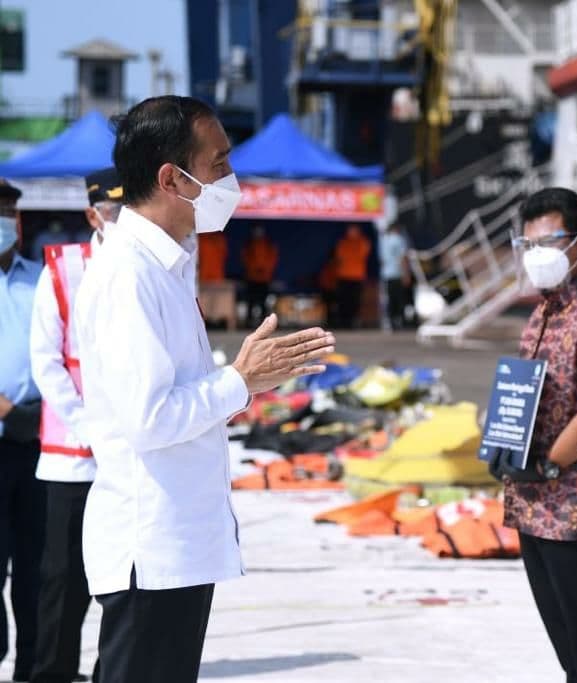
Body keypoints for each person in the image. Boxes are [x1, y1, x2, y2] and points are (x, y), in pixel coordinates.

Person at [72, 95, 336, 683]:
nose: (230, 179)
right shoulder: (128, 276)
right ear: (172, 178)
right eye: (218, 164)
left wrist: (241, 383)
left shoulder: (165, 265)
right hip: (151, 548)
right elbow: (150, 419)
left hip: (178, 546)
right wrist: (240, 380)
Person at [490, 187, 577, 682]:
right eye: (528, 245)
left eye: (548, 242)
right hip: (534, 502)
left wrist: (549, 462)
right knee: (569, 649)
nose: (537, 255)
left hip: (572, 504)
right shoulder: (546, 308)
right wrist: (503, 446)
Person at [28, 167, 123, 683]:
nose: (120, 220)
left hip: (130, 458)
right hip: (74, 458)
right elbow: (46, 361)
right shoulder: (63, 269)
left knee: (125, 584)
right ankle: (52, 674)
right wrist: (89, 428)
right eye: (112, 212)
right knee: (62, 581)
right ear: (93, 215)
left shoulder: (154, 265)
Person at [0, 179, 46, 682]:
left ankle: (35, 668)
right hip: (3, 429)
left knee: (37, 565)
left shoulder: (43, 280)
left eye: (9, 209)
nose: (5, 219)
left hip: (38, 437)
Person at [333, 223, 370, 329]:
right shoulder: (343, 243)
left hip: (357, 276)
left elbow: (365, 252)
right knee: (344, 301)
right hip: (344, 275)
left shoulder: (363, 242)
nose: (352, 232)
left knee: (355, 301)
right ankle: (343, 321)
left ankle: (353, 321)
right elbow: (339, 257)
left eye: (354, 230)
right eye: (350, 230)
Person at [241, 223, 278, 327]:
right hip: (252, 277)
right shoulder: (249, 244)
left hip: (264, 278)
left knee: (263, 302)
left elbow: (272, 258)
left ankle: (263, 322)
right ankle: (249, 322)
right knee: (251, 301)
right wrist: (253, 268)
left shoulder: (268, 244)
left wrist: (265, 269)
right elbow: (245, 258)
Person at [378, 223, 410, 330]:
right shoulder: (399, 240)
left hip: (386, 274)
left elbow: (382, 260)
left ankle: (391, 321)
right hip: (397, 273)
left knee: (390, 299)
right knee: (400, 299)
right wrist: (406, 274)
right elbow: (403, 258)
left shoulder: (383, 241)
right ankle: (400, 321)